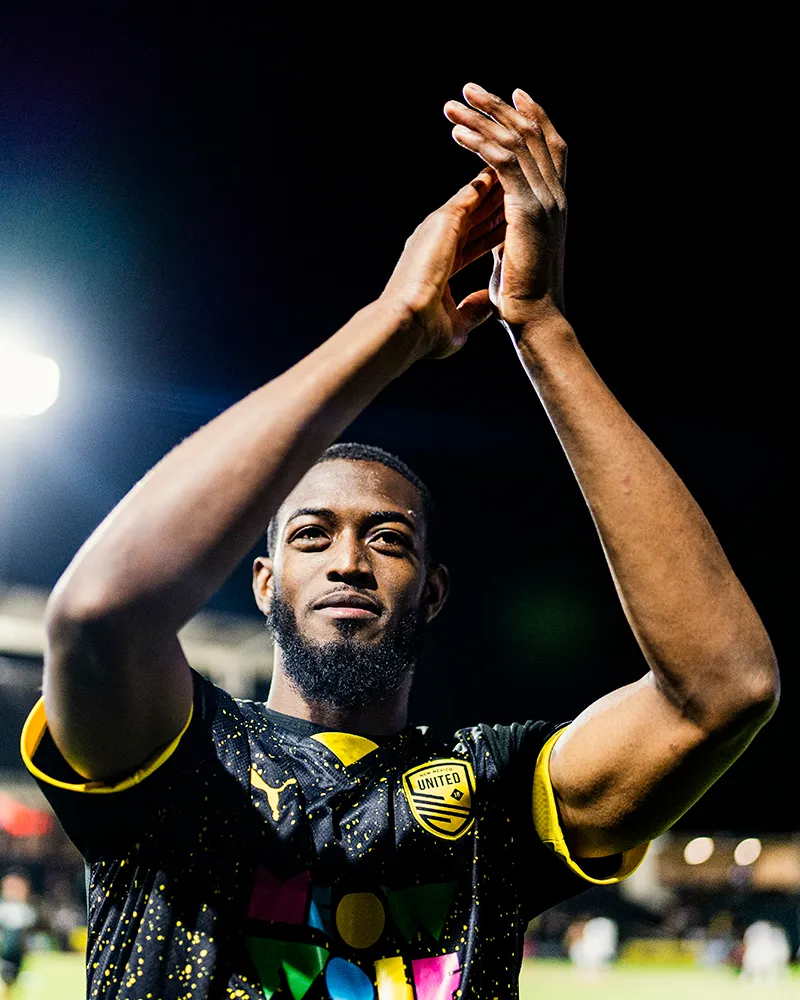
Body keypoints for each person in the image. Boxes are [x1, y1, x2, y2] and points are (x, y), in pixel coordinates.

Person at [21, 83, 778, 1000]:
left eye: (388, 539)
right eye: (311, 535)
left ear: (434, 590)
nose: (348, 561)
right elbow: (97, 616)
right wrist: (396, 324)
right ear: (262, 582)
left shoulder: (496, 792)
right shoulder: (181, 755)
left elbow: (723, 690)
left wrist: (542, 327)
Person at [0, 873, 37, 998]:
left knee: (15, 977)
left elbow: (28, 930)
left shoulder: (25, 909)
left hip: (19, 951)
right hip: (6, 950)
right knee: (6, 975)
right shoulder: (4, 908)